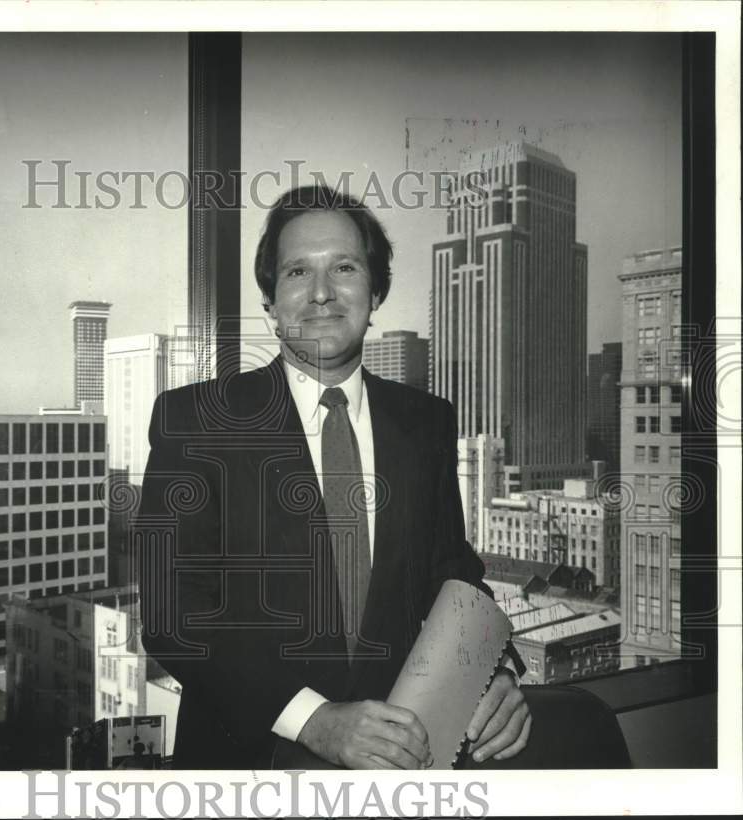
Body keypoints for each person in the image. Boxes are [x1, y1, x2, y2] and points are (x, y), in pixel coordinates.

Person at [135, 185, 622, 770]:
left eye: (344, 267)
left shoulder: (425, 422)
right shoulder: (196, 421)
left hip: (405, 761)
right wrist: (315, 720)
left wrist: (491, 676)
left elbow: (453, 574)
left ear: (375, 290)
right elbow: (174, 615)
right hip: (247, 767)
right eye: (297, 272)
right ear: (269, 302)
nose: (321, 292)